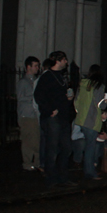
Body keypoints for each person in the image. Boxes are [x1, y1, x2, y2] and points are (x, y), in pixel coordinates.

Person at [34, 51, 75, 188]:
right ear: (58, 61)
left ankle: (62, 177)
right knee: (52, 148)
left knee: (66, 148)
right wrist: (49, 110)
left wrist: (68, 99)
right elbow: (39, 96)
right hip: (53, 118)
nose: (66, 63)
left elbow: (60, 96)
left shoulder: (61, 77)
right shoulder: (47, 77)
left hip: (63, 117)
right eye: (65, 60)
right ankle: (51, 178)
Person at [74, 65, 107, 180]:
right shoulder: (98, 86)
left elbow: (76, 101)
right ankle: (90, 172)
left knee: (89, 145)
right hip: (92, 120)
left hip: (82, 119)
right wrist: (106, 101)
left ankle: (88, 169)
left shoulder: (83, 84)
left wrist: (79, 112)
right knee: (91, 147)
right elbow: (100, 104)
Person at [16, 56, 41, 172]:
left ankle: (36, 162)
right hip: (26, 115)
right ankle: (27, 162)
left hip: (35, 114)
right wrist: (34, 96)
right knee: (28, 140)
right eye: (35, 66)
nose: (37, 68)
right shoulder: (23, 82)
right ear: (28, 67)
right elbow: (21, 98)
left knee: (36, 138)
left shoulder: (36, 81)